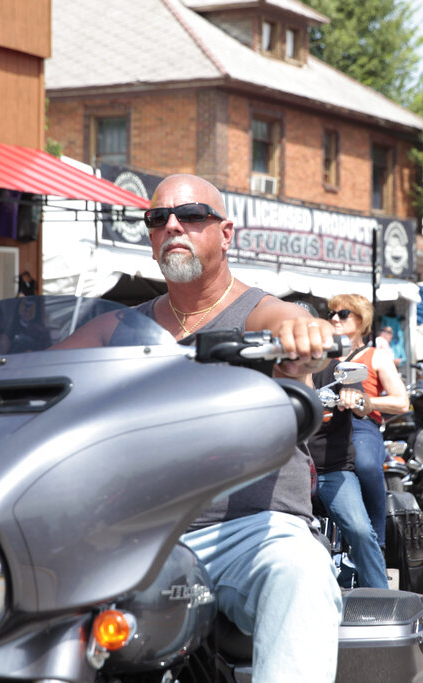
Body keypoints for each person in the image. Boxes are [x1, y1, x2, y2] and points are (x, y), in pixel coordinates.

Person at [69, 173, 342, 681]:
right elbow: (43, 366)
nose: (173, 225)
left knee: (299, 571)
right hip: (135, 536)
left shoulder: (255, 311)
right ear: (151, 238)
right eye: (159, 218)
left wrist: (304, 333)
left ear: (225, 232)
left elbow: (290, 321)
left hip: (249, 530)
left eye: (192, 215)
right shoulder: (120, 327)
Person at [327, 293, 410, 561]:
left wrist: (364, 400)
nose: (334, 318)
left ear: (362, 320)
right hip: (323, 424)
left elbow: (401, 402)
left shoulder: (376, 356)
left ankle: (378, 540)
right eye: (331, 313)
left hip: (360, 424)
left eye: (342, 314)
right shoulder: (322, 355)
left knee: (364, 464)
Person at [309, 356, 389, 590]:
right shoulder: (276, 369)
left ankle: (380, 597)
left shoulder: (334, 369)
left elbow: (364, 407)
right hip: (289, 471)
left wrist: (355, 398)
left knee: (360, 530)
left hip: (332, 470)